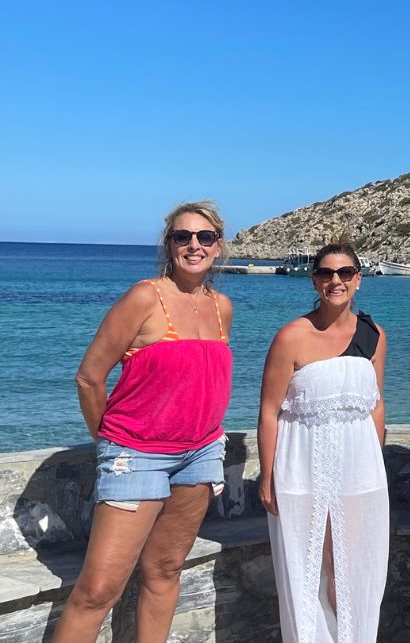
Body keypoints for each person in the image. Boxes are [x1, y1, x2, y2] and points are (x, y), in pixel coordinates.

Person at [55, 202, 233, 643]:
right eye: (182, 236)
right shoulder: (143, 298)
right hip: (136, 455)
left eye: (204, 237)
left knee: (165, 570)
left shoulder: (221, 307)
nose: (194, 245)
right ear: (168, 244)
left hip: (200, 454)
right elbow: (89, 378)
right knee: (98, 590)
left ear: (218, 246)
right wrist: (113, 444)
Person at [258, 243, 388, 643]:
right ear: (315, 280)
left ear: (358, 280)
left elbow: (376, 404)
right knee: (307, 565)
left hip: (359, 468)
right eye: (327, 274)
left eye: (345, 273)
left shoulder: (373, 335)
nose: (336, 281)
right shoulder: (292, 337)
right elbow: (268, 410)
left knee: (354, 566)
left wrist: (376, 461)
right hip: (302, 467)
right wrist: (267, 476)